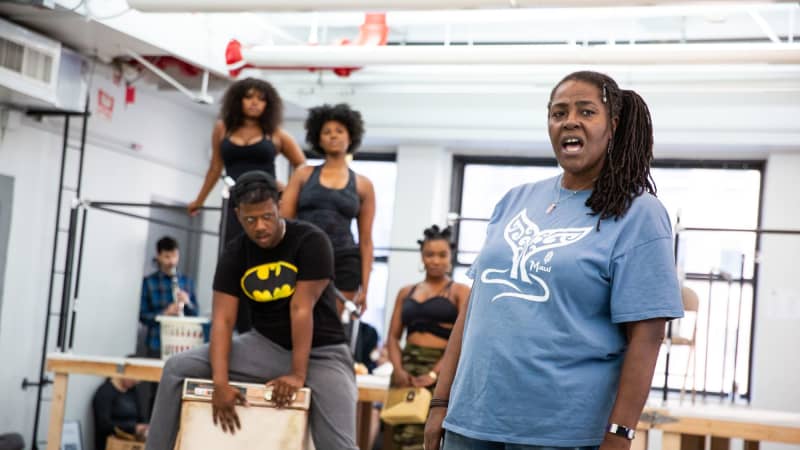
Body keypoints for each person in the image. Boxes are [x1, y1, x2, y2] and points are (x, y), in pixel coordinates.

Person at [424, 71, 684, 450]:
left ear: (612, 125)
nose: (570, 121)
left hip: (561, 432)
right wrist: (440, 401)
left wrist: (621, 433)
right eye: (558, 112)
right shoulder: (515, 200)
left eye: (586, 111)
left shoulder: (638, 213)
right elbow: (474, 309)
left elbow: (647, 334)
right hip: (471, 422)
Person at [145, 170, 357, 450]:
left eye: (267, 216)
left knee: (339, 445)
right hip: (265, 346)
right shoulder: (235, 253)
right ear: (237, 215)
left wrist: (297, 374)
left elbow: (300, 309)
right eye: (250, 219)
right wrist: (220, 383)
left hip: (323, 352)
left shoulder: (311, 240)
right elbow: (223, 319)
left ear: (278, 207)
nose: (259, 227)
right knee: (176, 368)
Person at [188, 78, 306, 333]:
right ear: (238, 100)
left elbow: (302, 165)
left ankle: (262, 324)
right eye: (249, 97)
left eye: (261, 99)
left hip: (266, 206)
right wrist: (198, 201)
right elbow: (215, 167)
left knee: (263, 258)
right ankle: (237, 326)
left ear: (268, 104)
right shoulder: (222, 129)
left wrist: (288, 189)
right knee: (234, 258)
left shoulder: (275, 134)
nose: (254, 103)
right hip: (235, 205)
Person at [280, 103, 375, 312]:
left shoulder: (363, 185)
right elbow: (283, 223)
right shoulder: (303, 175)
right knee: (297, 317)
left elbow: (366, 241)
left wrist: (366, 289)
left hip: (344, 261)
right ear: (318, 138)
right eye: (327, 132)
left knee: (331, 324)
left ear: (350, 136)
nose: (333, 136)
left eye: (339, 131)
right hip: (303, 256)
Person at [385, 225, 471, 450]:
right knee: (397, 432)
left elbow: (463, 339)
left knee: (428, 437)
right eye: (429, 254)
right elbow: (393, 338)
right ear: (421, 257)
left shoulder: (460, 291)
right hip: (406, 369)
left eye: (442, 255)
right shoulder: (406, 292)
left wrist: (435, 374)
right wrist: (398, 369)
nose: (435, 260)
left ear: (450, 257)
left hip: (440, 369)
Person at [139, 236, 198, 358]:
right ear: (159, 256)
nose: (172, 261)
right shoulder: (149, 282)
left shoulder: (187, 282)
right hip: (156, 344)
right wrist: (165, 313)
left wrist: (187, 303)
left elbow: (196, 314)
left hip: (182, 343)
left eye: (175, 256)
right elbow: (143, 316)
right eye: (167, 257)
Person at [92, 376, 148, 450]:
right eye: (134, 377)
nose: (137, 381)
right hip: (112, 444)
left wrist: (144, 428)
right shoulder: (104, 392)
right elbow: (104, 424)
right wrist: (133, 428)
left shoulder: (132, 391)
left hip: (131, 443)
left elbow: (140, 416)